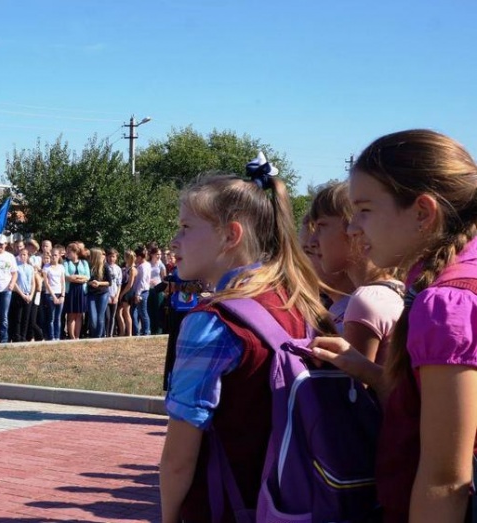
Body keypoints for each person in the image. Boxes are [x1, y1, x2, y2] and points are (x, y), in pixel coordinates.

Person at [309, 130, 477, 522]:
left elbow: (445, 480)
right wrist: (369, 372)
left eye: (364, 209)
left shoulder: (446, 304)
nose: (353, 228)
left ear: (422, 212)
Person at [159, 155, 332, 523]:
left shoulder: (212, 321)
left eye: (186, 227)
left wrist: (171, 515)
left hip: (225, 505)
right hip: (294, 504)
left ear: (230, 235)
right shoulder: (299, 301)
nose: (175, 240)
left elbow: (178, 459)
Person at [309, 182, 403, 364]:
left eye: (321, 225)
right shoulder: (394, 289)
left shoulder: (364, 300)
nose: (313, 241)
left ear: (353, 228)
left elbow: (356, 391)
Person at [85, 248, 112, 338]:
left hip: (103, 293)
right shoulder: (88, 266)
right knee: (93, 317)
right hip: (91, 293)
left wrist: (99, 283)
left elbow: (109, 282)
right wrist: (90, 283)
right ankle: (94, 335)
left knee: (100, 316)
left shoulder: (105, 267)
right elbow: (85, 280)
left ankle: (99, 336)